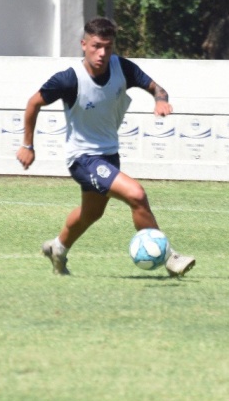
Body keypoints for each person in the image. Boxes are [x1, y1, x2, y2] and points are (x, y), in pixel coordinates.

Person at [16, 17, 195, 277]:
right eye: (96, 46)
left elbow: (158, 89)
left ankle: (58, 248)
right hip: (82, 159)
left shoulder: (122, 68)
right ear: (84, 44)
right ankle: (170, 258)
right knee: (136, 194)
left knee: (91, 214)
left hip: (109, 156)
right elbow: (33, 103)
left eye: (108, 47)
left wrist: (160, 101)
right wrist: (27, 145)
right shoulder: (69, 79)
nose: (102, 53)